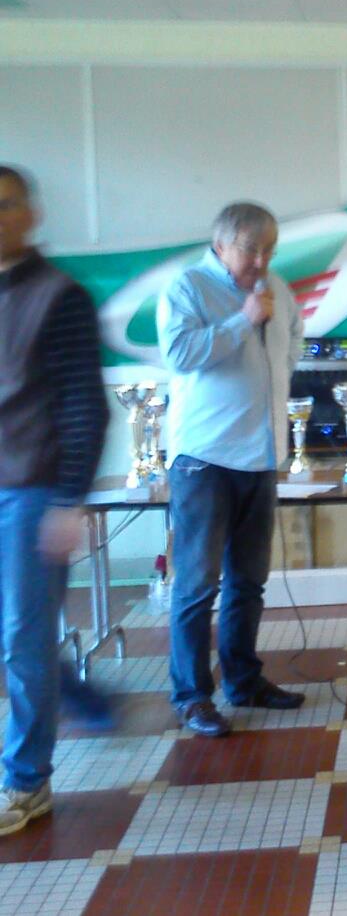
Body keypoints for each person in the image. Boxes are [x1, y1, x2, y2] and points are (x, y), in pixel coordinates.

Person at [158, 202, 306, 738]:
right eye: (250, 249)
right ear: (220, 245)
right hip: (204, 459)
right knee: (198, 585)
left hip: (260, 456)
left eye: (270, 249)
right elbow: (179, 353)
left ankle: (243, 681)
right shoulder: (189, 287)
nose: (261, 260)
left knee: (249, 582)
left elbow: (292, 345)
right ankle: (192, 696)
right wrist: (242, 321)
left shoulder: (278, 288)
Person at [0, 165, 110, 835]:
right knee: (21, 634)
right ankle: (75, 692)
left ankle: (26, 780)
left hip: (32, 489)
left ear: (31, 214)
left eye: (5, 204)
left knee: (21, 634)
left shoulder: (59, 296)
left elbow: (84, 405)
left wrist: (69, 499)